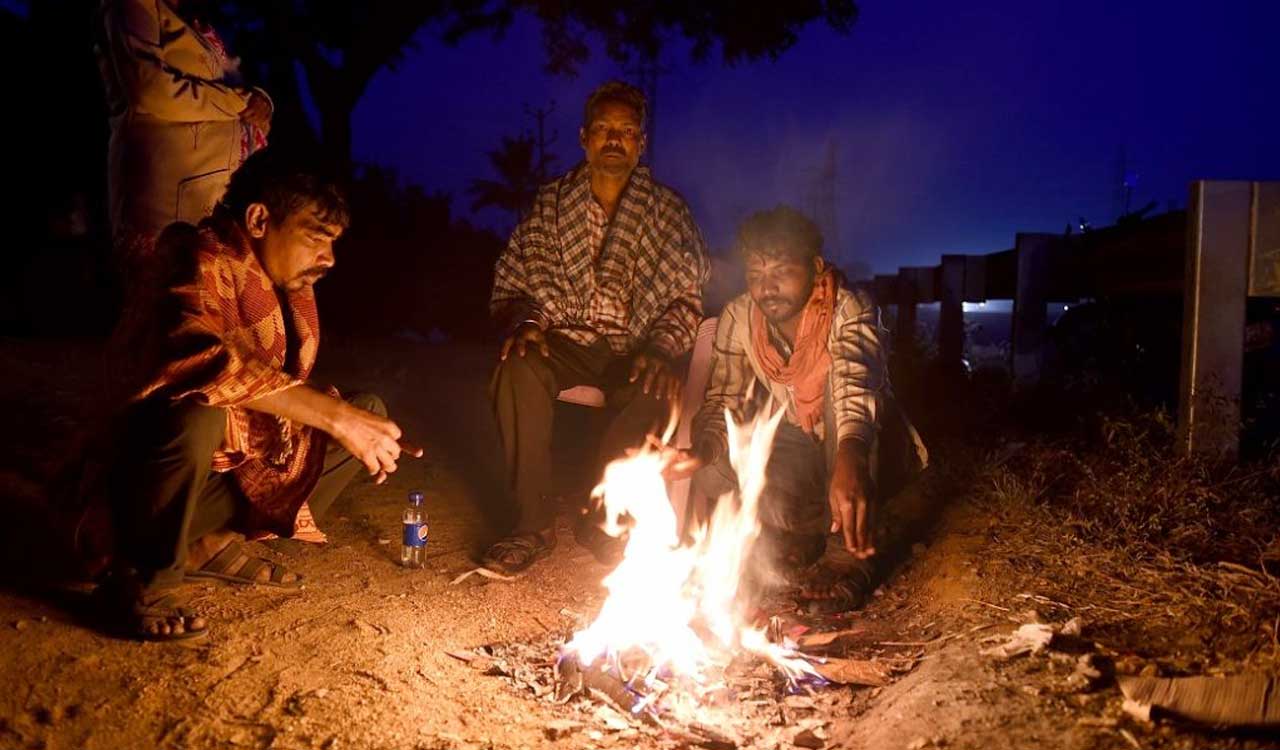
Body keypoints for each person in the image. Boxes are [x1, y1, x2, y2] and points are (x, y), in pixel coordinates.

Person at [96, 148, 421, 641]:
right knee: (198, 412)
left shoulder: (285, 291)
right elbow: (200, 361)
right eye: (317, 238)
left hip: (204, 486)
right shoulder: (190, 254)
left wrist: (354, 422)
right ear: (259, 218)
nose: (328, 259)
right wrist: (334, 416)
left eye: (333, 243)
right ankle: (139, 575)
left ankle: (211, 544)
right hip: (130, 489)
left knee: (366, 413)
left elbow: (272, 390)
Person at [484, 81, 710, 573]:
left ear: (640, 144)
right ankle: (531, 525)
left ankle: (608, 522)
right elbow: (517, 277)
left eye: (626, 132)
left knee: (655, 391)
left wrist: (661, 349)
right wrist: (528, 321)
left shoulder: (669, 212)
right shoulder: (549, 204)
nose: (614, 140)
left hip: (636, 349)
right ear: (585, 137)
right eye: (604, 130)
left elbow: (685, 298)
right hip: (564, 340)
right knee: (516, 365)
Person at [670, 206, 927, 607]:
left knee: (839, 406)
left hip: (867, 446)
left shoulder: (850, 306)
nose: (766, 288)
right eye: (755, 275)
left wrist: (851, 454)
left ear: (815, 266)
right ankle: (804, 534)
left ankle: (850, 558)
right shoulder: (740, 316)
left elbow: (855, 385)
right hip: (802, 444)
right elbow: (725, 398)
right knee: (713, 474)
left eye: (781, 272)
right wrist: (699, 452)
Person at [96, 0, 272, 298]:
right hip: (169, 199)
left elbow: (229, 78)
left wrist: (261, 102)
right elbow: (149, 90)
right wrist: (238, 103)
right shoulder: (133, 8)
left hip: (210, 192)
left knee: (211, 312)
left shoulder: (194, 19)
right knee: (171, 307)